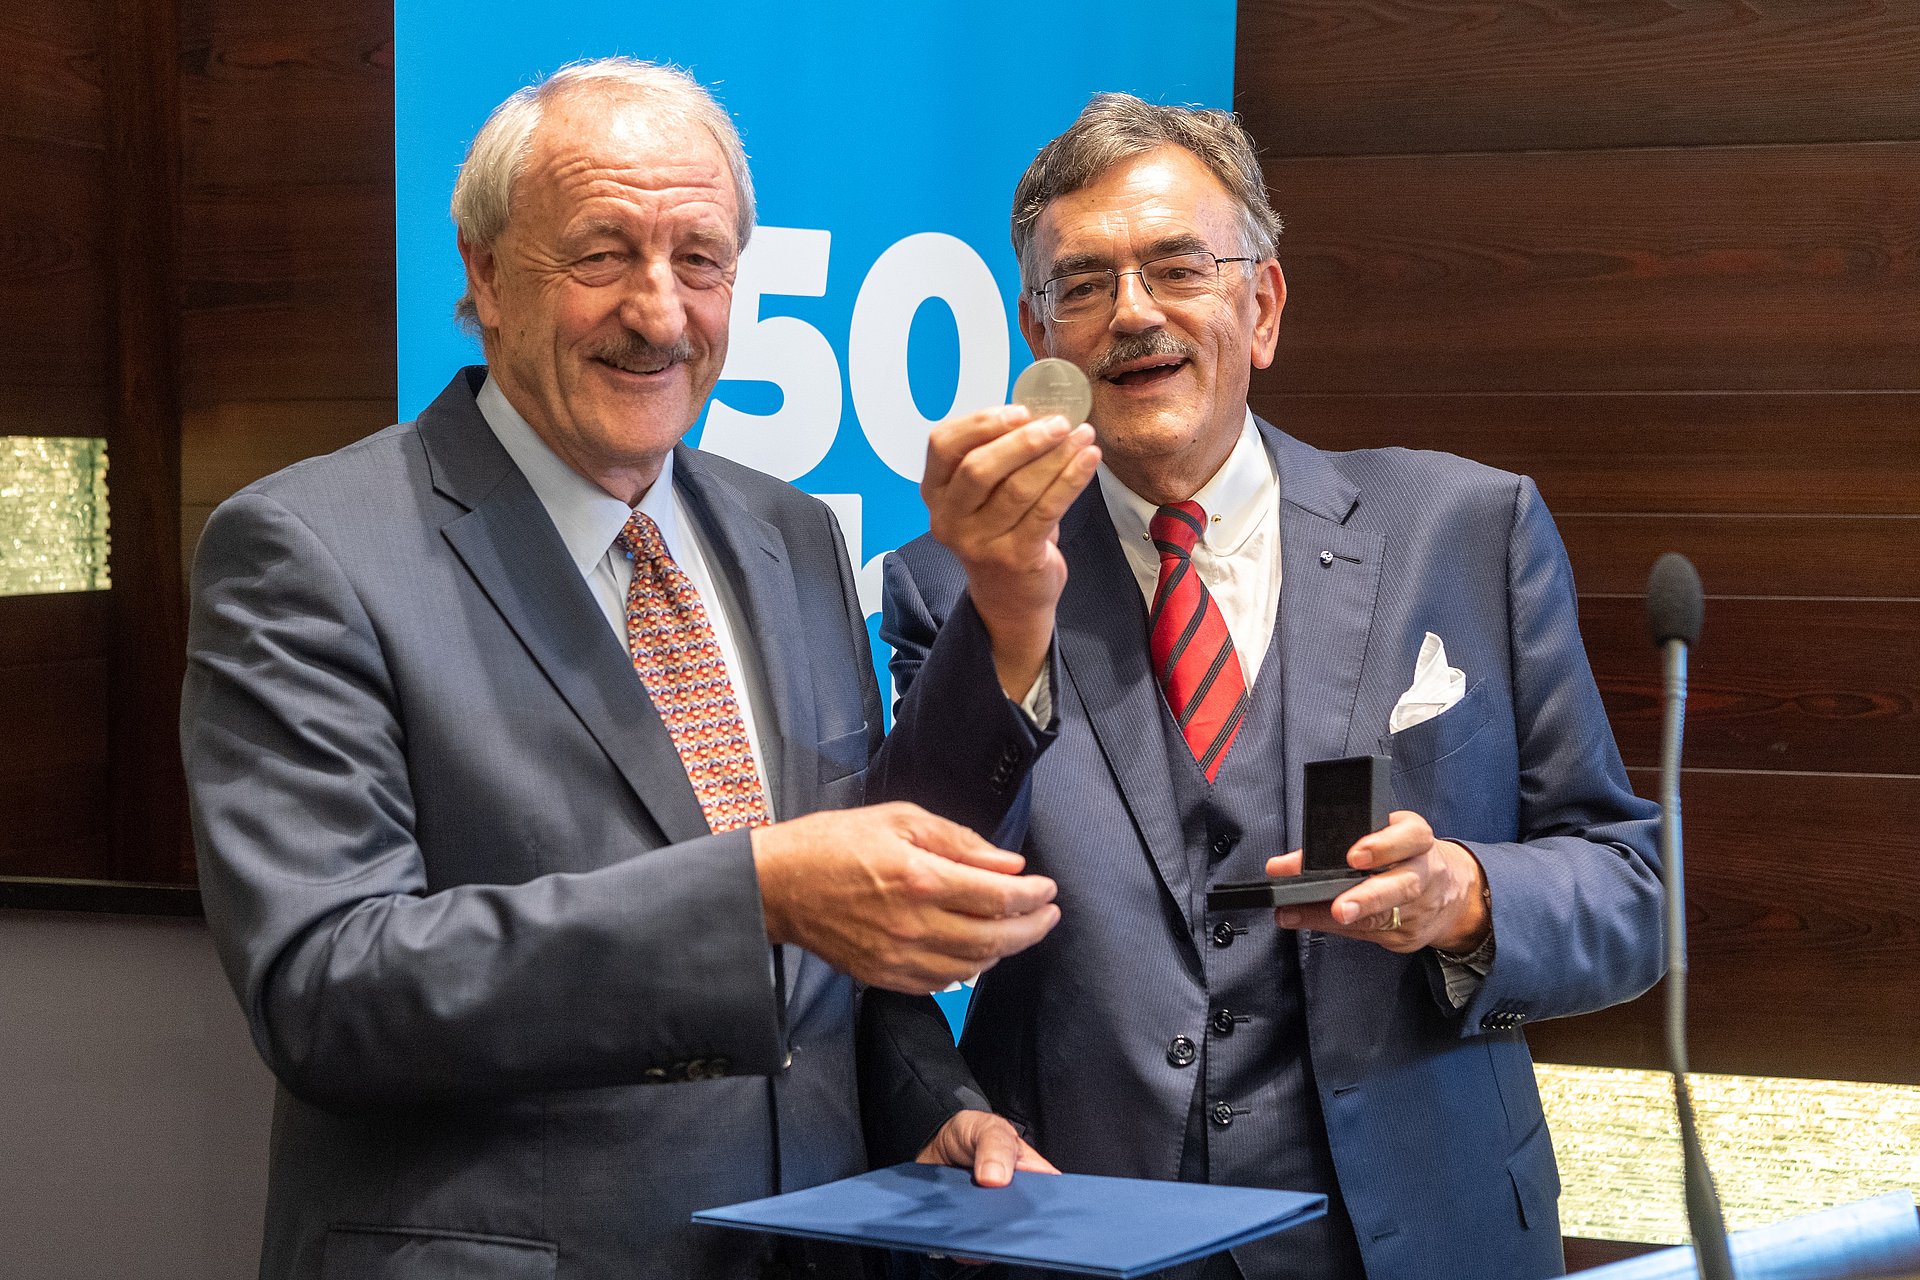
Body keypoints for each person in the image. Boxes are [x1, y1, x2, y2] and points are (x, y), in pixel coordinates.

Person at [180, 59, 1062, 1280]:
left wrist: (931, 1102)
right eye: (601, 254)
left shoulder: (791, 534)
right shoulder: (310, 548)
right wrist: (750, 889)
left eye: (699, 260)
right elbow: (326, 988)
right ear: (484, 272)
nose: (659, 312)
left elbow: (839, 956)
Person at [870, 94, 1664, 1280]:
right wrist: (1007, 610)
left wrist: (1466, 893)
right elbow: (907, 904)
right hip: (1088, 1232)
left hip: (1418, 1233)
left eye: (1177, 267)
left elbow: (1630, 882)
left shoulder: (1464, 528)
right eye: (1083, 286)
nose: (1132, 314)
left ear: (1265, 304)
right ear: (1043, 339)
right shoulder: (958, 581)